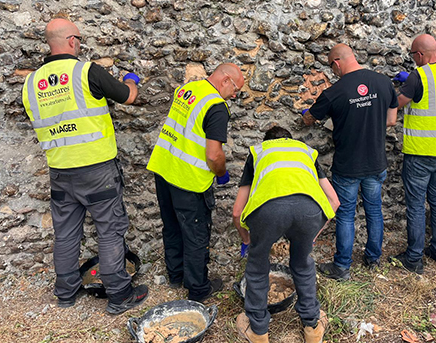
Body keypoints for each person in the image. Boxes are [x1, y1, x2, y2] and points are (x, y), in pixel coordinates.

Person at [21, 18, 148, 314]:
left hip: (60, 172)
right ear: (71, 41)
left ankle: (65, 291)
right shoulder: (85, 71)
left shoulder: (30, 84)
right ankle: (119, 295)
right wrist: (132, 79)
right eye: (79, 38)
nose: (80, 43)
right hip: (97, 171)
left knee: (65, 233)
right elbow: (128, 96)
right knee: (110, 230)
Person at [232, 126, 340, 343]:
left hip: (268, 211)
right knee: (302, 264)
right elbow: (335, 201)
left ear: (267, 141)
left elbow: (237, 211)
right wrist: (314, 234)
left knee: (257, 267)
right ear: (290, 141)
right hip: (309, 211)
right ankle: (312, 327)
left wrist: (247, 239)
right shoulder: (305, 151)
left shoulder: (259, 152)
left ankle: (258, 332)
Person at [146, 63, 244, 302]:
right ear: (225, 80)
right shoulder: (216, 106)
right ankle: (198, 288)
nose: (235, 96)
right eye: (236, 90)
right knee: (196, 233)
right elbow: (213, 154)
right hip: (188, 180)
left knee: (172, 226)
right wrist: (221, 172)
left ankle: (176, 275)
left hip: (163, 167)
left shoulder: (189, 90)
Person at [302, 44, 398, 280]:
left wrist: (306, 112)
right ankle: (373, 259)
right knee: (374, 210)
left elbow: (309, 119)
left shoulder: (334, 92)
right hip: (376, 162)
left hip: (348, 165)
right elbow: (392, 120)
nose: (333, 72)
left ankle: (342, 266)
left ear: (336, 63)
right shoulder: (384, 83)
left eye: (331, 67)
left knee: (345, 214)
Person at [390, 34, 436, 274]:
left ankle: (414, 257)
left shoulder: (418, 75)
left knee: (416, 206)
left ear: (419, 55)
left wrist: (398, 88)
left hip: (421, 153)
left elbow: (398, 103)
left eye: (413, 56)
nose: (413, 60)